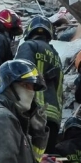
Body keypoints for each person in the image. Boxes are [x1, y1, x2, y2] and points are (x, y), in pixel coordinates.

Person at [15, 16, 63, 152]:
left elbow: (20, 72)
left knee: (29, 161)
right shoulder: (56, 55)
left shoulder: (28, 46)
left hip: (34, 113)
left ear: (29, 32)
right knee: (47, 161)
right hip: (54, 115)